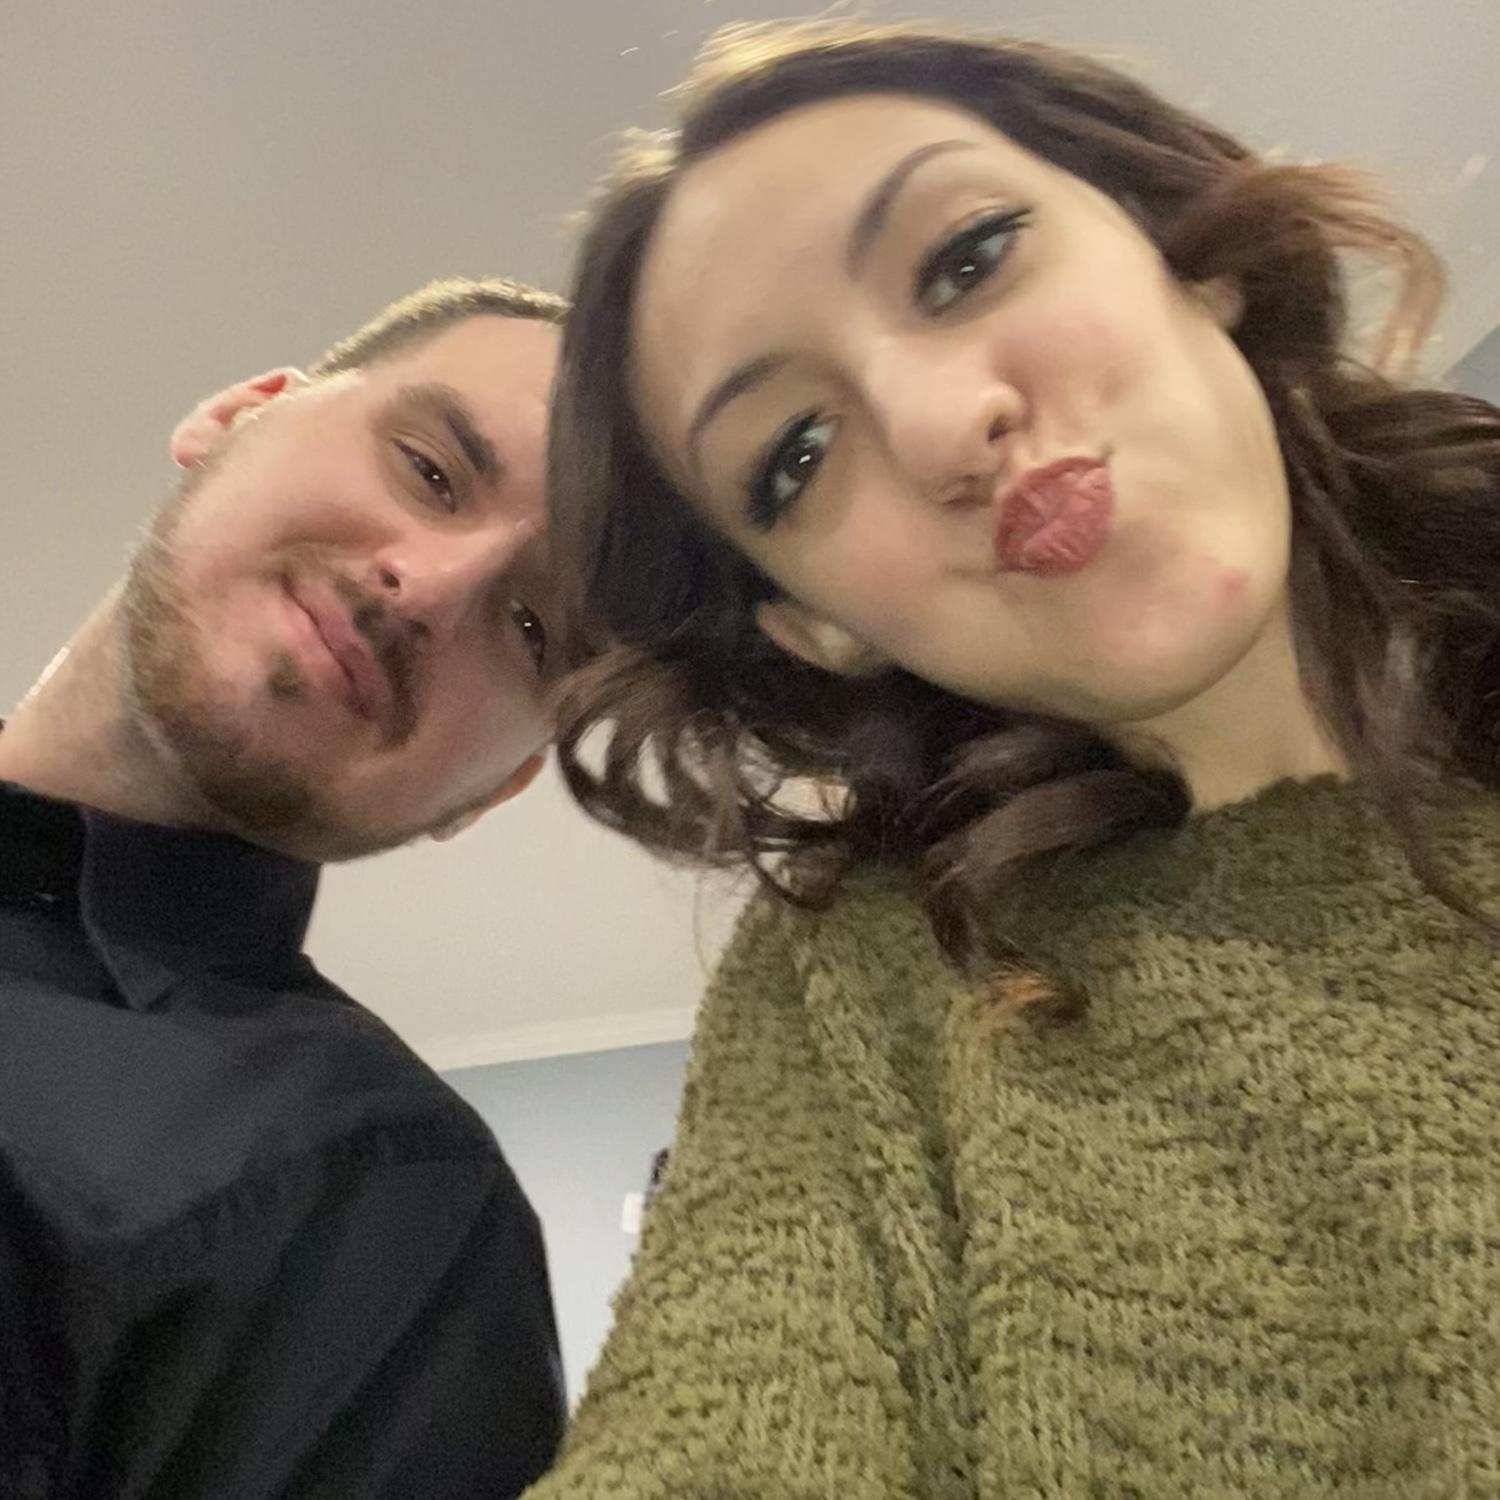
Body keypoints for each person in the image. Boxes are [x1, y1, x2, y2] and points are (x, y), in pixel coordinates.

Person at [530, 20, 1500, 1498]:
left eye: (967, 258)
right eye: (797, 455)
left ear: (1188, 253)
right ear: (818, 624)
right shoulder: (864, 994)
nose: (942, 428)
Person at [0, 277, 569, 1498]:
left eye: (535, 629)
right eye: (431, 470)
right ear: (237, 413)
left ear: (494, 791)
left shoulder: (386, 1212)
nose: (432, 588)